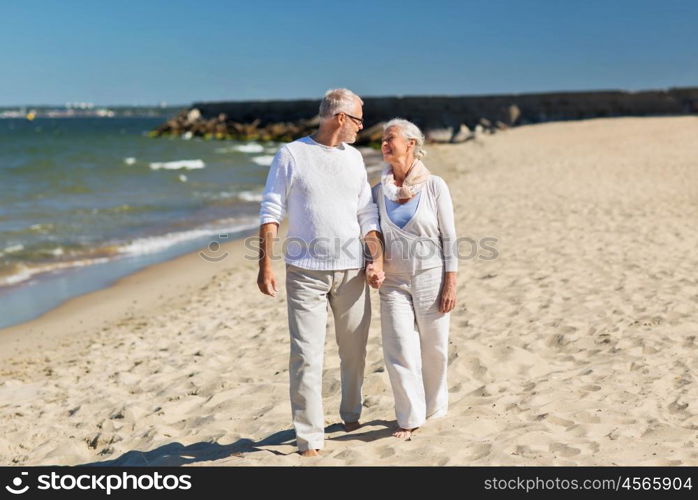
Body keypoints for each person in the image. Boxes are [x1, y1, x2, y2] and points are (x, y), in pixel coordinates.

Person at [258, 88, 384, 456]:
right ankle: (310, 437)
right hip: (305, 274)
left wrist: (375, 257)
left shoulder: (355, 159)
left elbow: (367, 214)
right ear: (340, 118)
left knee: (354, 351)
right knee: (306, 356)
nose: (363, 127)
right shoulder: (291, 155)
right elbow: (271, 209)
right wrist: (264, 263)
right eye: (359, 119)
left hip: (352, 272)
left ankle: (350, 413)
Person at [371, 118, 457, 439]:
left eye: (389, 138)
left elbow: (449, 238)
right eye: (381, 139)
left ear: (410, 144)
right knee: (399, 349)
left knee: (434, 349)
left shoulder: (435, 186)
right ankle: (409, 418)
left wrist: (451, 283)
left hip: (431, 278)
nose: (383, 144)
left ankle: (435, 408)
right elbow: (373, 233)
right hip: (392, 283)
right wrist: (374, 263)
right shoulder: (378, 191)